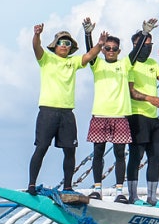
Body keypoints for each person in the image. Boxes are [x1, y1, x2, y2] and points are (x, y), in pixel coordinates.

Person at [27, 23, 103, 196]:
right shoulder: (46, 59)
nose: (64, 46)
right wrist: (37, 34)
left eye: (68, 44)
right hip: (47, 111)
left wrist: (99, 44)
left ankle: (67, 186)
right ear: (55, 45)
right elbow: (36, 47)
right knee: (41, 147)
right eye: (61, 42)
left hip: (67, 113)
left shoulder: (73, 62)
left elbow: (89, 55)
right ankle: (31, 184)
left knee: (70, 150)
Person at [83, 17, 144, 201]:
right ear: (103, 50)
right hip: (100, 114)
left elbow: (136, 51)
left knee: (119, 153)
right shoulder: (97, 64)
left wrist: (145, 33)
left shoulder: (124, 64)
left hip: (119, 116)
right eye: (107, 48)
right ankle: (97, 189)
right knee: (98, 152)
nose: (110, 51)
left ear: (119, 51)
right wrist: (88, 34)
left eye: (114, 49)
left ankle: (119, 191)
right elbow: (89, 52)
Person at [126, 19, 159, 207]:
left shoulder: (152, 63)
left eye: (150, 45)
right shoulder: (130, 64)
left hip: (153, 118)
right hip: (137, 116)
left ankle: (152, 198)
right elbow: (130, 91)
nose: (148, 48)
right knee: (136, 157)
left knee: (155, 157)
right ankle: (133, 196)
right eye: (144, 44)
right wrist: (149, 99)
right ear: (136, 46)